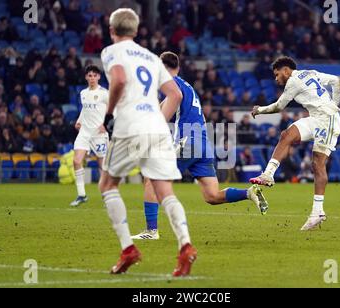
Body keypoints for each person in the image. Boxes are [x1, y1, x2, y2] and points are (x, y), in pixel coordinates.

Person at [99, 8, 196, 277]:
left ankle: (128, 249)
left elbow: (118, 79)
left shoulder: (111, 51)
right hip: (157, 127)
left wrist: (108, 114)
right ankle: (185, 246)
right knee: (165, 190)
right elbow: (174, 94)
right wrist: (155, 117)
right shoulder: (151, 57)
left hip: (130, 125)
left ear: (112, 30)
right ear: (136, 30)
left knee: (107, 184)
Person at [131, 52, 265, 241]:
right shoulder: (187, 85)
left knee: (151, 177)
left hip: (188, 141)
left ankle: (151, 231)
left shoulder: (171, 84)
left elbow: (173, 99)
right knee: (211, 195)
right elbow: (164, 104)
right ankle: (248, 193)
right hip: (204, 144)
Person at [250, 56, 340, 231]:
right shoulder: (310, 73)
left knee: (318, 164)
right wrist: (334, 103)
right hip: (317, 118)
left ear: (286, 70)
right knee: (286, 135)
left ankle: (317, 211)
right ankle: (268, 174)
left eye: (277, 75)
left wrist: (259, 110)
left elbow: (279, 106)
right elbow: (336, 81)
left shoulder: (293, 81)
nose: (276, 79)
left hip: (328, 120)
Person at [70, 65, 109, 207]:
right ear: (86, 77)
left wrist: (107, 124)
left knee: (102, 166)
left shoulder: (104, 93)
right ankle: (81, 195)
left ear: (99, 77)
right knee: (76, 161)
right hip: (85, 132)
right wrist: (79, 121)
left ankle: (106, 197)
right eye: (89, 75)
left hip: (99, 134)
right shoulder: (83, 93)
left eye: (95, 75)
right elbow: (85, 110)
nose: (92, 78)